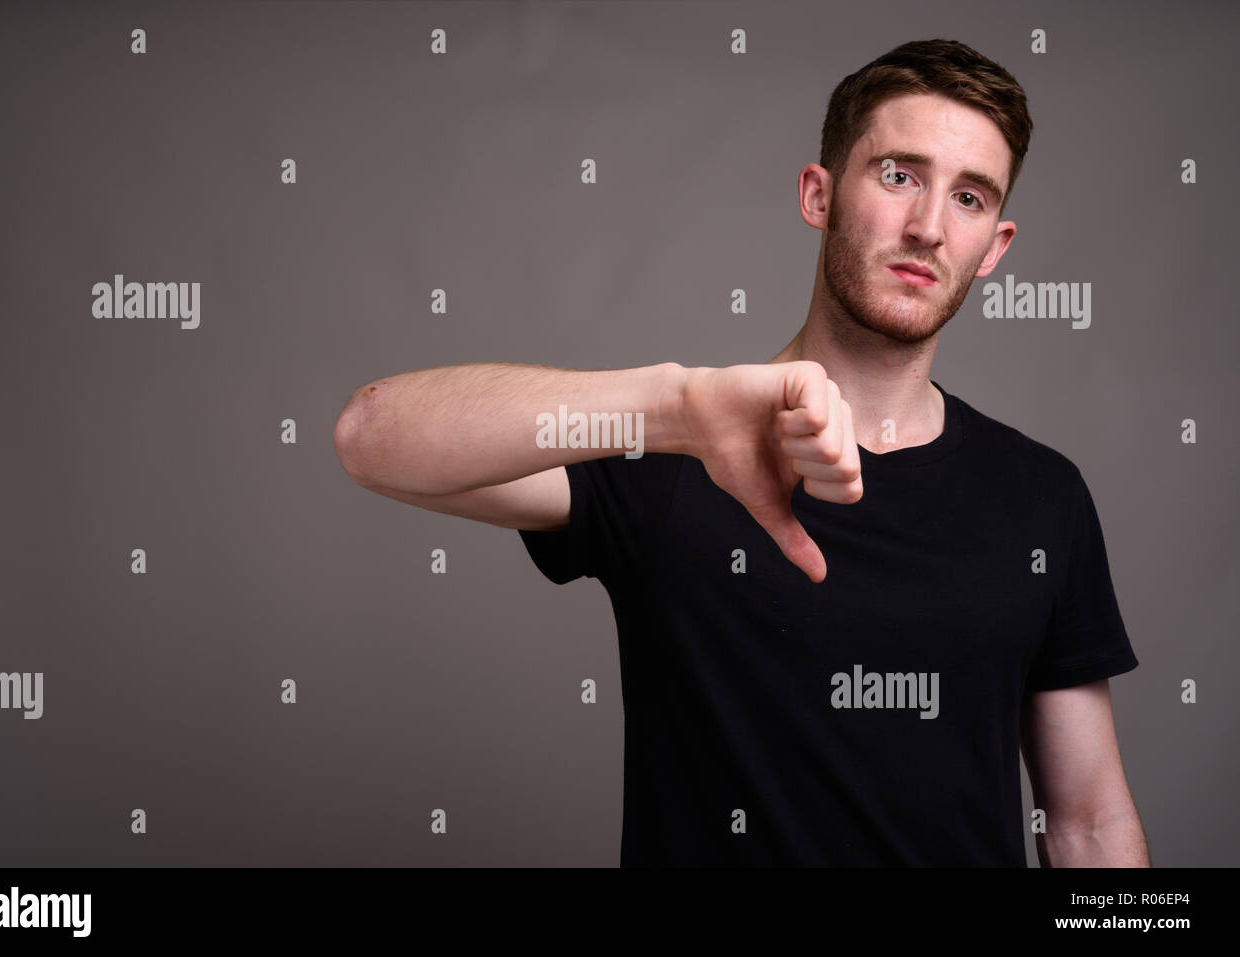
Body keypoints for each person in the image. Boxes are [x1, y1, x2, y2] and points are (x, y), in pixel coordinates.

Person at [333, 38, 1150, 867]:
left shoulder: (1044, 497)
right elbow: (374, 438)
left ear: (996, 248)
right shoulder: (671, 444)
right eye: (899, 175)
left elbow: (1087, 824)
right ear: (818, 194)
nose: (929, 227)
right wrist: (674, 405)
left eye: (969, 198)